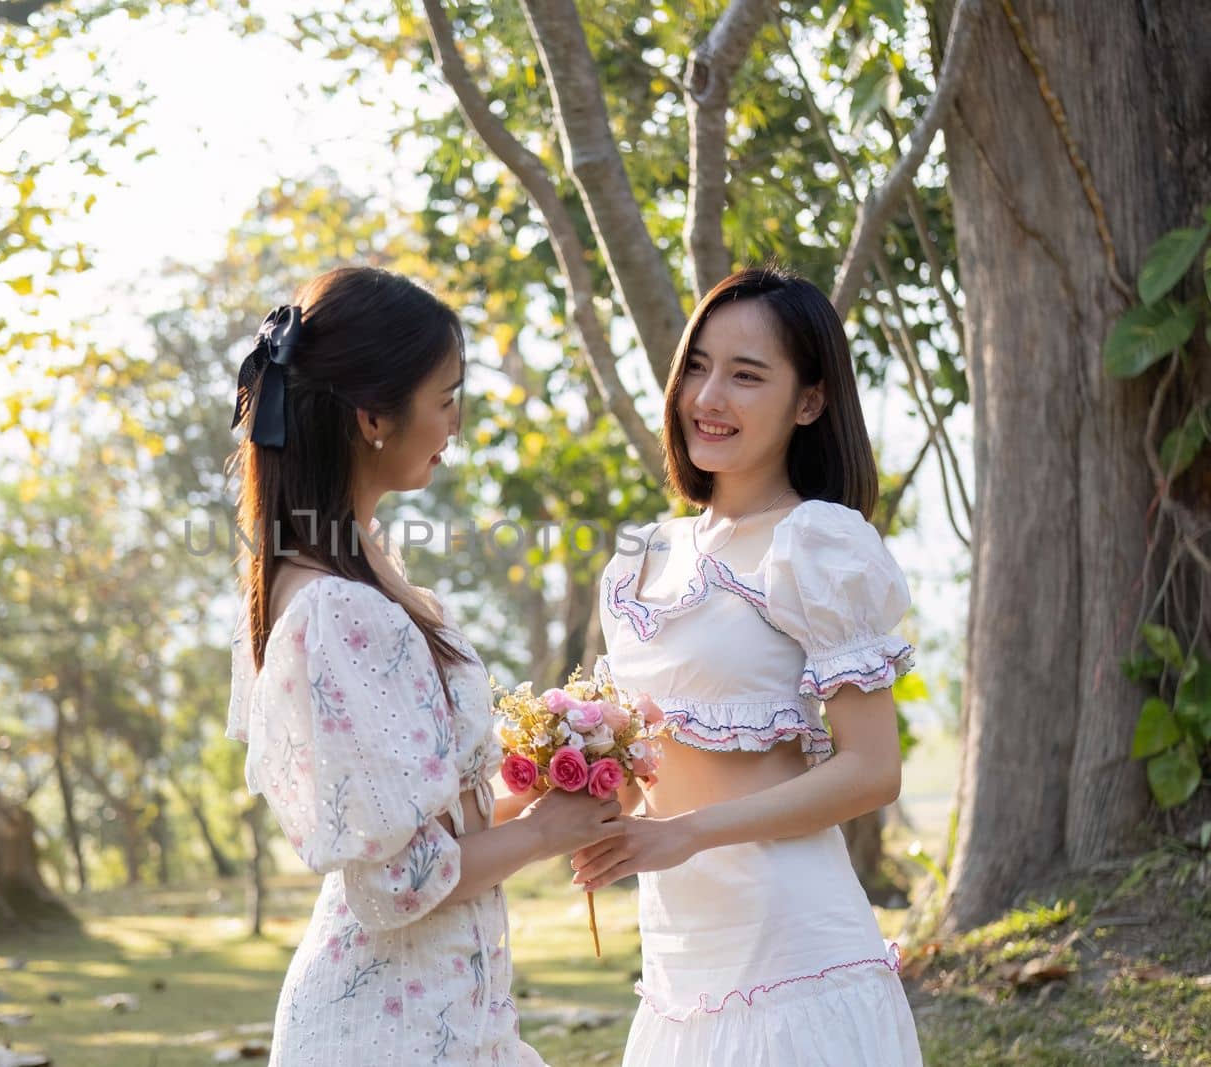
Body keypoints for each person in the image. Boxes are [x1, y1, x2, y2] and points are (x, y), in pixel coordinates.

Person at [226, 266, 623, 1065]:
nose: (456, 423)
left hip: (444, 1012)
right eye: (446, 398)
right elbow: (396, 883)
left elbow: (430, 827)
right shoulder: (338, 609)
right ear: (374, 415)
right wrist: (549, 830)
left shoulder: (360, 569)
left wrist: (556, 789)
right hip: (390, 1029)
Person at [570, 266, 925, 1064]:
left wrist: (686, 833)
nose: (708, 395)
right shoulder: (638, 558)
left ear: (809, 401)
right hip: (675, 971)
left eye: (746, 374)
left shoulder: (820, 542)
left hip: (799, 960)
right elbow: (632, 770)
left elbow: (872, 771)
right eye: (696, 364)